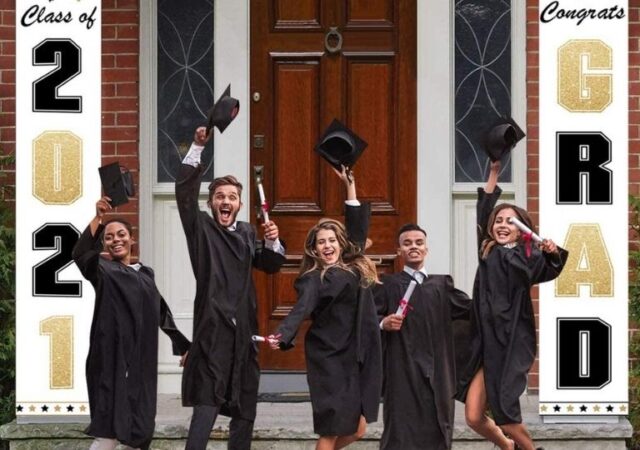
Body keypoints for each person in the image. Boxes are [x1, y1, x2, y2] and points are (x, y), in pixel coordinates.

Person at [176, 126, 286, 450]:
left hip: (244, 332)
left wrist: (273, 240)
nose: (226, 201)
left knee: (245, 406)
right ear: (211, 203)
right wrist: (197, 147)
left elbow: (269, 264)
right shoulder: (201, 229)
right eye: (220, 197)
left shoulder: (248, 232)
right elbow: (184, 194)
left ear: (239, 204)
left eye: (232, 197)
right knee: (207, 404)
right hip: (213, 330)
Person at [455, 160, 568, 450]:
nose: (503, 225)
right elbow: (484, 209)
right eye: (499, 221)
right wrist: (494, 173)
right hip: (485, 342)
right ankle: (508, 447)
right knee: (473, 416)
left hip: (511, 340)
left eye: (510, 222)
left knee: (505, 412)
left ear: (521, 231)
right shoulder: (487, 250)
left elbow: (551, 268)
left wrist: (551, 253)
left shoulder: (526, 257)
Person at [268, 166, 382, 450]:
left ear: (341, 244)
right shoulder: (313, 278)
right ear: (314, 249)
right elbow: (300, 309)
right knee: (331, 428)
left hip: (355, 352)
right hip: (329, 358)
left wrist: (350, 187)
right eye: (321, 242)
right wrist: (282, 334)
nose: (327, 246)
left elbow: (357, 227)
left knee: (358, 428)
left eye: (332, 240)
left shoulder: (353, 266)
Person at [72, 196, 190, 450]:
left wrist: (183, 345)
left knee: (141, 427)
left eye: (121, 234)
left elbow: (161, 311)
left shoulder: (145, 274)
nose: (116, 240)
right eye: (109, 237)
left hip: (141, 361)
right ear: (104, 244)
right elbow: (80, 253)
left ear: (132, 239)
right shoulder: (102, 270)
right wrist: (98, 218)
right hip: (111, 359)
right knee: (110, 428)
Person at [375, 223, 471, 450]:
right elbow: (367, 318)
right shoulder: (387, 285)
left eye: (419, 243)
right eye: (407, 243)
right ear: (399, 250)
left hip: (437, 370)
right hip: (402, 369)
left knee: (437, 425)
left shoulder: (441, 285)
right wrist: (383, 323)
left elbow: (472, 311)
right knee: (401, 428)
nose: (413, 247)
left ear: (426, 249)